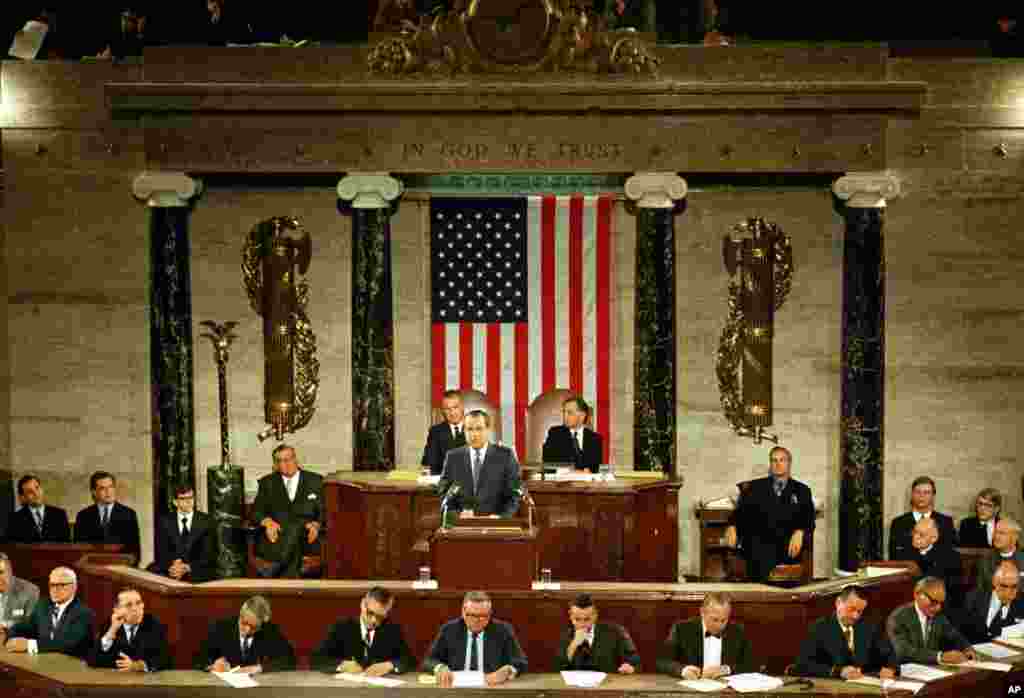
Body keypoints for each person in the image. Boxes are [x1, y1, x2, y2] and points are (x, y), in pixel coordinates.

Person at [724, 446, 815, 582]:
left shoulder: (802, 490)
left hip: (787, 550)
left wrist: (800, 531)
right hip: (759, 549)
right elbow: (739, 513)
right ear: (770, 464)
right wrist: (732, 526)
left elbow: (809, 518)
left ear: (789, 463)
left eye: (782, 460)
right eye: (774, 460)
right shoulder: (754, 488)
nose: (778, 464)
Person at [423, 590, 528, 686]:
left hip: (491, 688)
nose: (479, 620)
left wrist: (509, 670)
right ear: (463, 613)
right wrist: (440, 668)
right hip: (456, 688)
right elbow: (429, 660)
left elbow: (520, 662)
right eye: (474, 616)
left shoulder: (502, 630)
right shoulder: (449, 629)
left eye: (485, 615)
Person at [251, 444, 324, 578]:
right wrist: (267, 522)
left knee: (296, 529)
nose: (286, 464)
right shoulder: (267, 483)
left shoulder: (315, 481)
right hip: (276, 538)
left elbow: (325, 511)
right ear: (276, 464)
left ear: (296, 459)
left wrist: (317, 524)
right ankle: (290, 579)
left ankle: (275, 570)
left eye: (289, 459)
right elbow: (256, 511)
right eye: (281, 461)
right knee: (294, 531)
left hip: (307, 538)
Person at [794, 585, 897, 680]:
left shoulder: (869, 626)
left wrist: (890, 669)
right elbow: (803, 665)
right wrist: (838, 671)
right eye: (851, 609)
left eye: (860, 611)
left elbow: (889, 655)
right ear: (838, 603)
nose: (855, 616)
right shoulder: (819, 628)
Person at [311, 586, 415, 674]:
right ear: (362, 604)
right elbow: (317, 660)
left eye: (380, 617)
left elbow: (409, 660)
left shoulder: (392, 629)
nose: (374, 620)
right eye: (370, 613)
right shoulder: (342, 626)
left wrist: (390, 665)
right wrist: (342, 665)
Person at [438, 410, 522, 518]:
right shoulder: (453, 457)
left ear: (488, 430)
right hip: (462, 524)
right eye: (469, 429)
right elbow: (444, 492)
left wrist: (501, 517)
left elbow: (514, 495)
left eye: (479, 429)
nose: (474, 434)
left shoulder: (505, 456)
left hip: (495, 524)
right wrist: (457, 514)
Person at [0, 566, 95, 658]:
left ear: (74, 587)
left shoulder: (84, 613)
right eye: (52, 585)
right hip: (44, 662)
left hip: (73, 667)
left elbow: (67, 644)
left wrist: (30, 644)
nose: (55, 590)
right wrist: (9, 635)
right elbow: (25, 627)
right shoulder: (43, 606)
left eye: (61, 585)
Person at [656, 592, 755, 680]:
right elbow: (663, 661)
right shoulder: (682, 629)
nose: (719, 625)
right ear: (702, 613)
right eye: (715, 620)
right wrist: (683, 670)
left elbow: (751, 664)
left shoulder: (737, 631)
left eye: (724, 620)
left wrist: (726, 669)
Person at [193, 596, 296, 673]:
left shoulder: (269, 630)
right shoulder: (221, 627)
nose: (247, 630)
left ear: (262, 624)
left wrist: (259, 668)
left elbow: (288, 660)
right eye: (244, 623)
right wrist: (212, 666)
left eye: (253, 627)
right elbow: (199, 659)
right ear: (240, 614)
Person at [886, 576, 975, 665]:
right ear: (917, 594)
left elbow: (955, 636)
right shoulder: (898, 618)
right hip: (903, 671)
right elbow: (904, 652)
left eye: (941, 603)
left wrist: (967, 648)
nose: (938, 608)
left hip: (931, 670)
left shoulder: (939, 617)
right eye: (933, 601)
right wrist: (940, 656)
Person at [89, 587, 171, 672]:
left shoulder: (153, 625)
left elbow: (164, 660)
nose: (135, 609)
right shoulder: (109, 625)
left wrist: (138, 666)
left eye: (138, 603)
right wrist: (112, 631)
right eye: (129, 605)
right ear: (117, 610)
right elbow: (93, 660)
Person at [554, 593, 639, 673]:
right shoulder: (565, 635)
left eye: (587, 619)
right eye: (577, 619)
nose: (582, 624)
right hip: (575, 687)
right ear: (570, 616)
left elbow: (634, 661)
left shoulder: (616, 632)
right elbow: (557, 669)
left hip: (608, 685)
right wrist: (573, 645)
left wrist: (630, 667)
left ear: (595, 616)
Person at [151, 483, 217, 583]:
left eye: (191, 498)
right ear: (175, 502)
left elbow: (209, 554)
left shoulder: (207, 521)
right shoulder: (164, 522)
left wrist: (186, 567)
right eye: (183, 499)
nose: (188, 502)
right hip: (171, 571)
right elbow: (160, 551)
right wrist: (174, 564)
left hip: (198, 573)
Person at [74, 471, 142, 564]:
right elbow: (79, 550)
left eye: (110, 487)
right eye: (102, 488)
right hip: (92, 568)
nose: (108, 492)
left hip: (121, 569)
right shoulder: (83, 516)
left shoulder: (128, 514)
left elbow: (135, 551)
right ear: (94, 492)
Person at [888, 476, 957, 560]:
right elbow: (895, 556)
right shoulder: (898, 523)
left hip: (937, 572)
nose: (921, 496)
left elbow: (949, 554)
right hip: (909, 571)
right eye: (918, 492)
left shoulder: (946, 522)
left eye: (926, 492)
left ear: (933, 496)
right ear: (912, 494)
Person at [958, 560, 1024, 643]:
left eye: (1014, 587)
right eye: (1004, 586)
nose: (1008, 592)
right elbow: (960, 634)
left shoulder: (1021, 603)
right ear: (994, 582)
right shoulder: (973, 598)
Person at [542, 396, 604, 473]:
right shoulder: (555, 434)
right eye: (564, 412)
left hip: (586, 483)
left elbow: (595, 468)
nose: (565, 416)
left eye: (569, 412)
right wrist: (572, 472)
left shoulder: (595, 439)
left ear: (582, 416)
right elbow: (548, 464)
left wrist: (588, 472)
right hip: (561, 483)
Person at [5, 475, 71, 543]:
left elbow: (67, 546)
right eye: (30, 491)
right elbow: (11, 547)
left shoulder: (59, 515)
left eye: (37, 488)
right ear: (23, 497)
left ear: (42, 489)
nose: (36, 493)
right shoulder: (15, 519)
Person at [908, 518, 962, 593]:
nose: (915, 537)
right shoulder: (905, 553)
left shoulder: (949, 556)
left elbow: (949, 586)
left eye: (921, 534)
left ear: (934, 538)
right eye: (914, 532)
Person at [421, 390, 467, 475]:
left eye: (455, 407)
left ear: (462, 407)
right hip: (443, 482)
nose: (452, 413)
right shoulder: (435, 432)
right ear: (443, 411)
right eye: (447, 409)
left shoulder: (474, 428)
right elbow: (429, 461)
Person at [974, 517, 1024, 594]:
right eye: (995, 532)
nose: (996, 536)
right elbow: (979, 592)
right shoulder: (985, 560)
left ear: (1014, 537)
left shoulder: (1022, 559)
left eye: (1002, 533)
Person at [0, 553, 39, 630]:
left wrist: (5, 625)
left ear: (10, 571)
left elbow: (31, 625)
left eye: (1, 572)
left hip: (14, 638)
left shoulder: (30, 591)